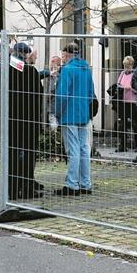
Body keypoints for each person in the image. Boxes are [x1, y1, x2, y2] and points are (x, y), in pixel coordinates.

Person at [53, 42, 95, 196]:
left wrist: (56, 113)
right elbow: (91, 93)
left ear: (67, 53)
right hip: (84, 114)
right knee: (84, 149)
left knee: (73, 149)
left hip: (69, 114)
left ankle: (72, 184)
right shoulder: (86, 69)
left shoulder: (67, 69)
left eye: (63, 54)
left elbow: (62, 95)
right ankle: (85, 183)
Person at [5, 42, 45, 199]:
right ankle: (27, 187)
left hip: (12, 119)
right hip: (29, 119)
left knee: (13, 152)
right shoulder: (31, 71)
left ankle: (12, 189)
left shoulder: (7, 70)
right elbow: (39, 95)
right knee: (28, 153)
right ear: (25, 54)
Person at [115, 56, 137, 151]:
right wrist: (120, 87)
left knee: (135, 123)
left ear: (132, 65)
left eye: (128, 66)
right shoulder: (122, 73)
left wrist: (129, 88)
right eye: (125, 66)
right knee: (122, 124)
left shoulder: (135, 74)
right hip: (123, 102)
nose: (126, 68)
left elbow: (136, 87)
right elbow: (118, 83)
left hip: (133, 101)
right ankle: (123, 145)